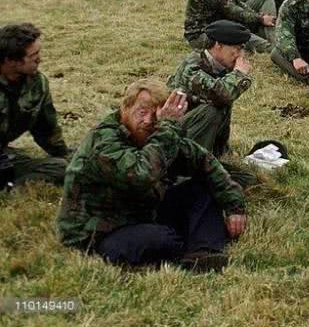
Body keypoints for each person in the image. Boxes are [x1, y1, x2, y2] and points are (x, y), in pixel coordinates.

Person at [57, 79, 245, 271]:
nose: (148, 121)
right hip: (97, 235)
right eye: (142, 112)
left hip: (138, 214)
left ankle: (203, 254)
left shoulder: (159, 134)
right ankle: (187, 247)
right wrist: (167, 128)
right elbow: (141, 176)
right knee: (166, 239)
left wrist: (234, 207)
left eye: (155, 116)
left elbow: (204, 161)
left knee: (201, 189)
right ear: (125, 109)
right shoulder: (105, 141)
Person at [167, 20, 252, 157]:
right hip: (172, 135)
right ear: (218, 45)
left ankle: (218, 152)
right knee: (213, 108)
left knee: (219, 105)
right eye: (237, 49)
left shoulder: (220, 66)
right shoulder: (192, 68)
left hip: (192, 128)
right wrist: (239, 75)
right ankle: (197, 161)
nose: (240, 55)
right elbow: (222, 94)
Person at [0, 22, 70, 187]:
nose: (40, 59)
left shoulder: (37, 84)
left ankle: (10, 185)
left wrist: (64, 155)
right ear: (12, 61)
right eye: (34, 55)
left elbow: (46, 129)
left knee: (63, 167)